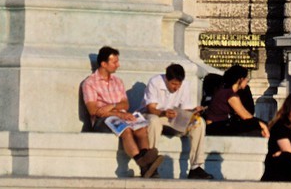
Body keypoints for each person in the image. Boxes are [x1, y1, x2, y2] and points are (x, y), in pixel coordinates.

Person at [80, 45, 163, 177]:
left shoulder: (117, 81)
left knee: (141, 129)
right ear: (103, 64)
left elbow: (125, 103)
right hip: (102, 121)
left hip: (120, 114)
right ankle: (144, 164)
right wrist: (117, 112)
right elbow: (94, 110)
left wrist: (111, 106)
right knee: (126, 130)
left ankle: (146, 167)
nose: (118, 65)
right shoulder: (89, 83)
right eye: (114, 62)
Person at [143, 62, 211, 180]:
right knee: (154, 121)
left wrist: (193, 111)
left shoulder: (185, 85)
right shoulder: (155, 82)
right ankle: (151, 162)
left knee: (199, 122)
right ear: (167, 79)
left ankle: (196, 166)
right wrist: (163, 113)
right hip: (156, 115)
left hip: (174, 118)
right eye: (173, 84)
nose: (176, 87)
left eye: (178, 84)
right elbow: (151, 108)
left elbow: (184, 109)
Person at [205, 65, 269, 138]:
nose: (247, 80)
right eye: (245, 78)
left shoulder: (225, 91)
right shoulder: (230, 95)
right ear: (240, 80)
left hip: (216, 126)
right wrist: (262, 124)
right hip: (215, 127)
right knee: (254, 126)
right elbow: (246, 116)